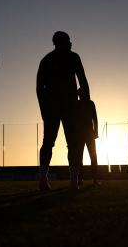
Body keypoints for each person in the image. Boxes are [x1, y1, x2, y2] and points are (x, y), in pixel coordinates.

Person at [37, 31, 90, 190]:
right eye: (68, 40)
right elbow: (83, 82)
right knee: (65, 143)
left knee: (57, 142)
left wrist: (44, 108)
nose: (70, 43)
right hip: (65, 107)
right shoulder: (65, 58)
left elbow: (39, 89)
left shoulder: (50, 59)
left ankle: (55, 179)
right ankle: (65, 180)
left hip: (62, 107)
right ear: (62, 42)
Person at [75, 92, 99, 187]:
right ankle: (81, 179)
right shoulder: (78, 104)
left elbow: (95, 118)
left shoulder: (90, 103)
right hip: (82, 134)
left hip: (88, 133)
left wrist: (96, 131)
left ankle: (94, 179)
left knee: (92, 156)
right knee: (80, 157)